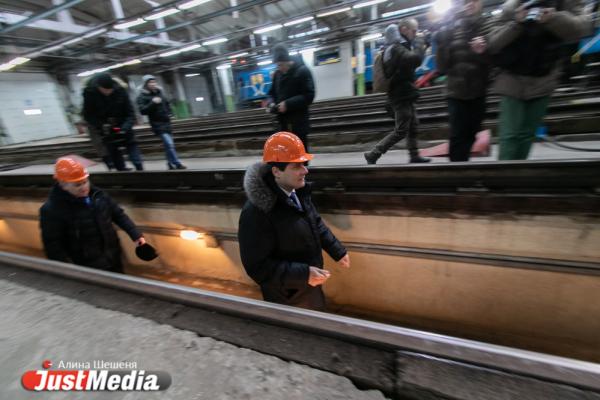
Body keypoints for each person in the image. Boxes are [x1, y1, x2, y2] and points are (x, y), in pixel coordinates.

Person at [238, 132, 350, 310]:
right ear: (276, 172)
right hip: (287, 299)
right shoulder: (256, 212)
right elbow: (257, 267)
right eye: (297, 166)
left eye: (304, 164)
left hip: (308, 288)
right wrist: (303, 274)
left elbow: (316, 223)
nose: (305, 170)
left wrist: (337, 250)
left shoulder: (297, 192)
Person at [486, 0, 592, 160]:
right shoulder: (511, 7)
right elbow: (493, 43)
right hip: (512, 80)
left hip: (544, 79)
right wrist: (516, 23)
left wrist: (554, 18)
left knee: (527, 135)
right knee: (509, 135)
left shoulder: (563, 3)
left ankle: (517, 174)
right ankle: (504, 178)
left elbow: (583, 27)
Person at [40, 157, 146, 273]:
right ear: (63, 185)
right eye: (77, 185)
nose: (84, 188)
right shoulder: (52, 210)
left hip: (114, 256)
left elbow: (118, 215)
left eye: (85, 182)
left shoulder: (99, 196)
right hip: (86, 266)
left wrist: (136, 235)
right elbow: (53, 245)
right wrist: (68, 271)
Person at [364, 20, 431, 164]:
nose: (415, 34)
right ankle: (373, 154)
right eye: (414, 31)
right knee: (401, 130)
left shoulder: (398, 47)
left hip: (405, 94)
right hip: (400, 96)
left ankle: (414, 155)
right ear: (404, 29)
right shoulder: (396, 48)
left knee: (413, 125)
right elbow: (414, 59)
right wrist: (420, 43)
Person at [435, 0, 495, 161]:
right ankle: (456, 172)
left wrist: (482, 52)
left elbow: (495, 60)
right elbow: (442, 67)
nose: (470, 4)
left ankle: (462, 166)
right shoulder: (451, 27)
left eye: (474, 1)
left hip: (479, 89)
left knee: (472, 132)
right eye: (467, 1)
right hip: (455, 90)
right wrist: (441, 44)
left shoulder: (487, 24)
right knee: (457, 134)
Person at [82, 73, 144, 171]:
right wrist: (101, 125)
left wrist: (125, 128)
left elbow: (130, 113)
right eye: (105, 90)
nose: (108, 92)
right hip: (104, 126)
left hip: (122, 122)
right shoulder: (89, 93)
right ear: (98, 87)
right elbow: (88, 115)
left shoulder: (121, 90)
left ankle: (139, 167)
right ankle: (120, 170)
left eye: (110, 89)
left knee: (131, 143)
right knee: (112, 148)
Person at [267, 44, 316, 149]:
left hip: (298, 122)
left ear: (287, 61)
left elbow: (309, 95)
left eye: (281, 65)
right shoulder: (278, 74)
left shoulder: (302, 71)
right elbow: (271, 93)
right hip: (282, 123)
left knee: (299, 155)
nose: (279, 68)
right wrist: (271, 103)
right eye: (277, 65)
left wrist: (288, 104)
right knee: (286, 153)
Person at [136, 75, 187, 170]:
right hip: (157, 124)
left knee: (168, 145)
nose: (153, 84)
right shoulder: (142, 96)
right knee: (169, 144)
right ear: (146, 84)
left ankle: (169, 163)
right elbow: (143, 111)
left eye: (154, 82)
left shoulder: (160, 93)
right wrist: (153, 103)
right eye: (150, 82)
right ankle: (177, 163)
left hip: (166, 122)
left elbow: (167, 104)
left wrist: (170, 113)